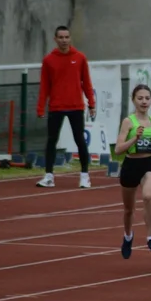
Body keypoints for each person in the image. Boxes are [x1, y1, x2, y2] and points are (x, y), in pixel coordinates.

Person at [114, 84, 151, 259]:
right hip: (130, 166)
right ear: (133, 100)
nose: (144, 101)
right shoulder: (128, 122)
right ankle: (128, 236)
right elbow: (118, 149)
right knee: (128, 210)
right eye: (140, 98)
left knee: (148, 196)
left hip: (148, 164)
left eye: (147, 98)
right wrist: (135, 138)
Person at [35, 26, 95, 189]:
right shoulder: (48, 60)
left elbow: (86, 83)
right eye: (60, 37)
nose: (64, 40)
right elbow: (44, 86)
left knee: (80, 140)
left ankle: (84, 175)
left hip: (76, 106)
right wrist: (40, 107)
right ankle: (49, 176)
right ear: (55, 39)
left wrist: (91, 103)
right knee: (51, 141)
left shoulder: (80, 58)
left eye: (66, 37)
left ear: (70, 38)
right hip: (56, 106)